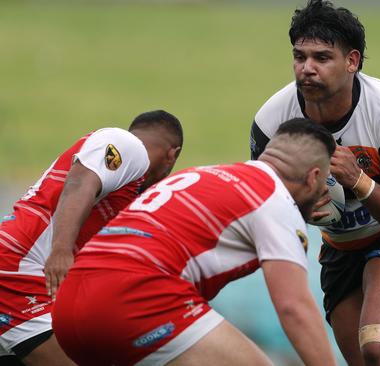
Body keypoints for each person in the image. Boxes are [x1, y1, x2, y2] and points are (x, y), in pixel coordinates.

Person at [249, 1, 380, 364]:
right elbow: (262, 204)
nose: (307, 68)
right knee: (360, 359)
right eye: (299, 56)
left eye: (322, 58)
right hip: (341, 246)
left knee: (379, 346)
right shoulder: (271, 122)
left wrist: (359, 181)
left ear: (352, 61)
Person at [52, 118, 338, 366]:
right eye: (325, 181)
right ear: (313, 178)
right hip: (133, 302)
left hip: (69, 308)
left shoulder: (202, 173)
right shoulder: (275, 202)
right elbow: (294, 307)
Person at [0, 110, 183, 366]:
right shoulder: (128, 146)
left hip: (27, 278)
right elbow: (79, 182)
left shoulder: (123, 193)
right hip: (17, 272)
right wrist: (61, 250)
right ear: (172, 155)